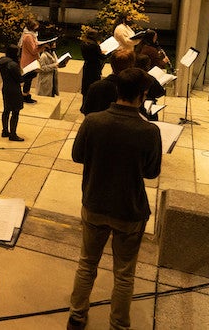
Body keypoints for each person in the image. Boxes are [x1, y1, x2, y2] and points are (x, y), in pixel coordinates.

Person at [67, 68, 162, 330]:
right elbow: (152, 172)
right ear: (142, 95)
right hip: (129, 209)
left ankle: (76, 316)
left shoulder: (93, 121)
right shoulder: (149, 131)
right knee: (124, 274)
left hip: (95, 202)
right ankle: (118, 324)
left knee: (86, 264)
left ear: (117, 90)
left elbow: (77, 155)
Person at [82, 50, 136, 115]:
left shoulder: (95, 86)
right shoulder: (135, 87)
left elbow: (87, 111)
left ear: (111, 64)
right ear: (132, 66)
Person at [0, 44, 24, 141]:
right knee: (15, 112)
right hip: (14, 90)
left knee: (6, 110)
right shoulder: (13, 65)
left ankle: (5, 131)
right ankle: (13, 134)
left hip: (6, 88)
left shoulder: (1, 61)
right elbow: (20, 79)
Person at [18, 19, 43, 103]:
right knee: (27, 80)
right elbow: (33, 50)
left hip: (30, 60)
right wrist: (43, 47)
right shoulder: (28, 36)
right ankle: (25, 96)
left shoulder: (31, 35)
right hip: (28, 61)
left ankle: (26, 94)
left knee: (29, 80)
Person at [80, 29, 105, 112]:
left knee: (86, 85)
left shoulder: (83, 44)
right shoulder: (94, 45)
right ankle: (93, 105)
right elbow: (101, 57)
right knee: (94, 85)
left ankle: (84, 105)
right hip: (94, 67)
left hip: (87, 66)